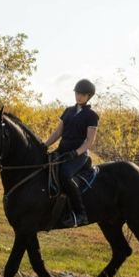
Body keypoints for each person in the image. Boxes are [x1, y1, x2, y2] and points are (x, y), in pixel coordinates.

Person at [43, 79, 99, 227]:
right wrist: (44, 145)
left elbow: (89, 141)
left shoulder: (92, 115)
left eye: (82, 94)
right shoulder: (68, 111)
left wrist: (76, 153)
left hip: (79, 155)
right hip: (62, 150)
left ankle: (80, 213)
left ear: (88, 96)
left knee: (65, 175)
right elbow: (58, 132)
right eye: (77, 93)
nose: (79, 96)